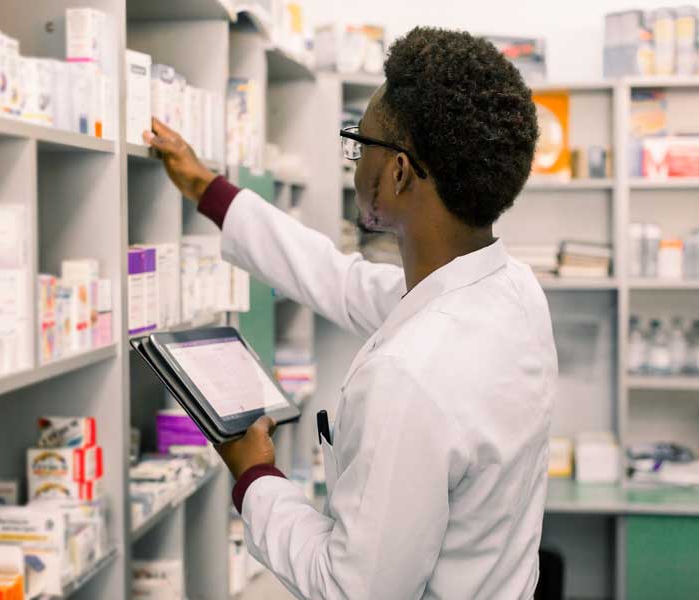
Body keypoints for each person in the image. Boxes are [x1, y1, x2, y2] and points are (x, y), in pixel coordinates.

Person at [146, 26, 556, 600]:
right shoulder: (510, 292)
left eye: (360, 144)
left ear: (399, 172)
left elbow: (351, 590)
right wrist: (206, 189)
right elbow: (339, 280)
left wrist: (255, 474)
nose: (355, 162)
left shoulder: (412, 374)